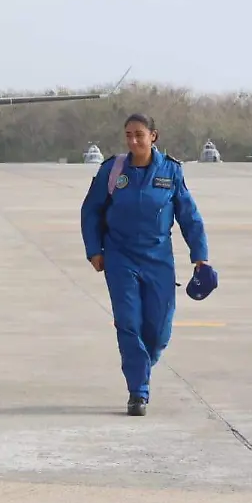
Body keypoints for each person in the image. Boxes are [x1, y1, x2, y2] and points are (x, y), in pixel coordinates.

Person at [80, 113, 209, 416]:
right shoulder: (112, 170)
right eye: (128, 135)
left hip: (158, 258)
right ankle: (138, 391)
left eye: (139, 134)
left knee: (159, 329)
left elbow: (189, 216)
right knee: (128, 322)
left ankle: (141, 367)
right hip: (120, 256)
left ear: (154, 136)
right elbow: (91, 210)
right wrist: (93, 250)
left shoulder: (171, 172)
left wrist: (200, 257)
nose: (133, 140)